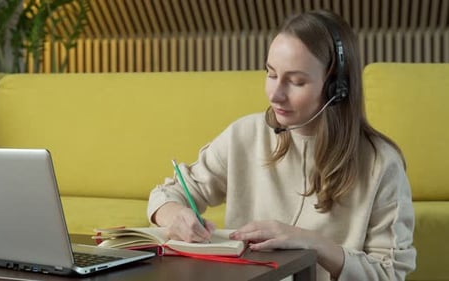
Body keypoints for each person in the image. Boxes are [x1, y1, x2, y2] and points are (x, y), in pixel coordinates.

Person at [146, 9, 416, 281]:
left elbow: (389, 274)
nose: (275, 95)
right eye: (271, 74)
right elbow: (166, 196)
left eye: (296, 81)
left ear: (337, 88)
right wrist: (175, 215)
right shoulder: (244, 135)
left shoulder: (381, 164)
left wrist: (313, 244)